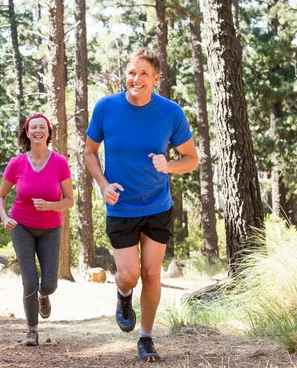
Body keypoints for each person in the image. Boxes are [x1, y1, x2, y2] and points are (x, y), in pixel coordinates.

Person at [84, 48, 198, 362]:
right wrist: (103, 184)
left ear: (156, 79)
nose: (137, 79)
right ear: (126, 75)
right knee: (129, 275)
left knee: (151, 274)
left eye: (144, 74)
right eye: (132, 73)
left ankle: (146, 338)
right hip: (120, 206)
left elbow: (191, 159)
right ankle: (123, 295)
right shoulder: (107, 108)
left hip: (157, 205)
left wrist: (168, 165)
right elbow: (90, 152)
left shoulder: (170, 112)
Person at [0, 113, 74, 346]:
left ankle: (43, 296)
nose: (38, 130)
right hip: (22, 227)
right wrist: (4, 217)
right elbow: (1, 196)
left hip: (51, 229)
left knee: (48, 284)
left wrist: (50, 205)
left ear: (48, 133)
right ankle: (32, 330)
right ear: (27, 133)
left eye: (43, 127)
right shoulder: (16, 163)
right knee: (29, 280)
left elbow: (69, 200)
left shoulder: (60, 162)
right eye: (33, 127)